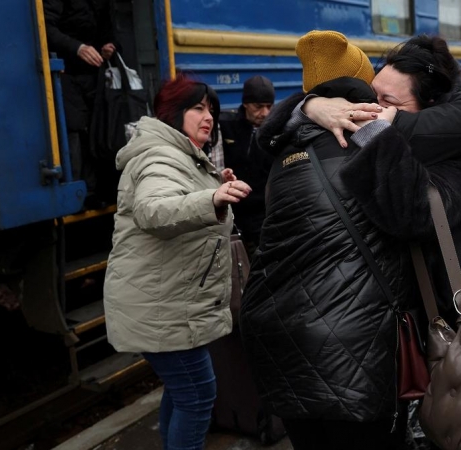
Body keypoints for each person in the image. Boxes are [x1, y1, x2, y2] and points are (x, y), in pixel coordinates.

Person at [242, 31, 461, 449]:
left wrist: (381, 133)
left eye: (387, 101)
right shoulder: (387, 132)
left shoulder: (460, 146)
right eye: (371, 94)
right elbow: (270, 137)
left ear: (428, 108)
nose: (370, 107)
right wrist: (313, 105)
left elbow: (416, 217)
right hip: (423, 315)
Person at [103, 76, 251, 450]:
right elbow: (153, 210)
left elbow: (175, 197)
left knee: (183, 392)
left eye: (212, 110)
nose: (209, 117)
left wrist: (212, 186)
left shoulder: (179, 155)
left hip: (169, 302)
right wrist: (212, 198)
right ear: (173, 113)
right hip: (163, 306)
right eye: (198, 108)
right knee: (198, 396)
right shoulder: (160, 156)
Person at [43, 0, 116, 208]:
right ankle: (79, 192)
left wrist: (109, 47)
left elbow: (108, 32)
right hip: (65, 73)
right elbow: (45, 28)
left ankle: (98, 191)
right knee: (74, 131)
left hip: (93, 75)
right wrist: (77, 48)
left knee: (98, 129)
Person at [219, 75, 276, 257]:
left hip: (264, 215)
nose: (265, 113)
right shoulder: (226, 126)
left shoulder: (276, 130)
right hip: (234, 212)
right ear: (245, 104)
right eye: (258, 107)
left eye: (269, 106)